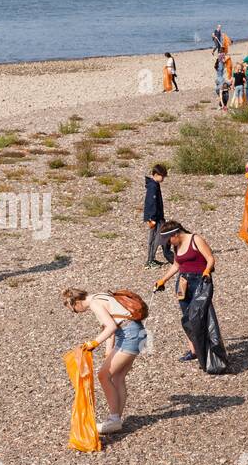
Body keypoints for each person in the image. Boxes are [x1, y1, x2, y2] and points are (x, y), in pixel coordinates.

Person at [62, 288, 146, 435]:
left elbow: (111, 327)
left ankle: (114, 419)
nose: (77, 313)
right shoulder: (99, 295)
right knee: (118, 377)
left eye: (74, 310)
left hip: (129, 335)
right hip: (136, 332)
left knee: (103, 376)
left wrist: (93, 343)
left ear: (75, 302)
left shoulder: (94, 303)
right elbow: (112, 326)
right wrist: (109, 351)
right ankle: (116, 420)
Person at [153, 220, 214, 360]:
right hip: (183, 282)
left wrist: (206, 271)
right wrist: (163, 280)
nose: (168, 243)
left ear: (175, 234)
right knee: (187, 316)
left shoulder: (195, 239)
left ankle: (208, 348)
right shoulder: (177, 245)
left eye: (169, 240)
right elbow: (176, 265)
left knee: (200, 315)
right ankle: (193, 351)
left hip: (200, 281)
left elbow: (210, 258)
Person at [143, 164, 169, 267]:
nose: (163, 178)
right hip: (154, 218)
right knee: (154, 238)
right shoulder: (152, 186)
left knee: (158, 237)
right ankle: (149, 261)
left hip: (158, 217)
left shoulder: (155, 185)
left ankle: (152, 259)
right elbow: (151, 203)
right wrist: (152, 218)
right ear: (155, 174)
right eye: (161, 176)